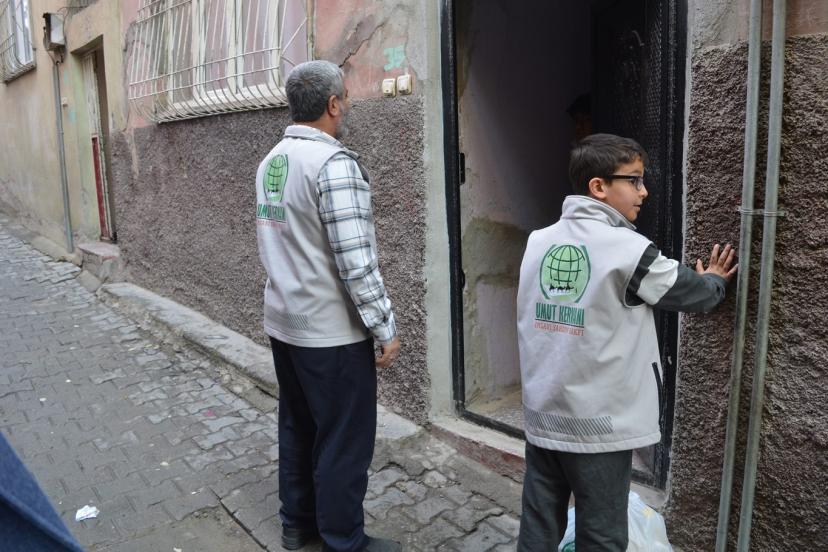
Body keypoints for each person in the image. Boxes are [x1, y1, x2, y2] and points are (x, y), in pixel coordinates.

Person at [516, 133, 737, 551]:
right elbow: (694, 294)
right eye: (633, 180)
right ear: (598, 186)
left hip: (542, 414)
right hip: (597, 426)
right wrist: (714, 280)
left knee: (539, 523)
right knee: (602, 533)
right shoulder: (629, 250)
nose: (644, 190)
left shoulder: (538, 241)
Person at [255, 60, 401, 552]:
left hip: (285, 322)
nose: (349, 105)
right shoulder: (332, 164)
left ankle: (297, 525)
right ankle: (344, 540)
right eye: (347, 97)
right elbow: (356, 260)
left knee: (298, 426)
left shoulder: (273, 160)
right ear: (333, 104)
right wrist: (383, 325)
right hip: (329, 332)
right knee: (343, 438)